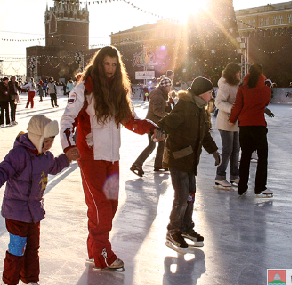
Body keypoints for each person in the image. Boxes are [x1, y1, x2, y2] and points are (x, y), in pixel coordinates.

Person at [60, 46, 157, 271]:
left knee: (110, 207)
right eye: (106, 64)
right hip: (91, 157)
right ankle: (103, 255)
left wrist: (150, 128)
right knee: (100, 207)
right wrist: (69, 146)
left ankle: (94, 250)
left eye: (114, 65)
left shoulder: (118, 90)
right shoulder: (85, 87)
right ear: (99, 64)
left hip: (112, 158)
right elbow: (67, 119)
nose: (111, 69)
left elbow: (129, 120)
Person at [0, 115, 79, 285]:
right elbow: (3, 169)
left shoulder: (45, 157)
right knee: (17, 248)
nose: (49, 145)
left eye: (51, 141)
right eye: (46, 141)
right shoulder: (18, 155)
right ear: (36, 138)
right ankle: (8, 283)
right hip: (16, 212)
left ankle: (29, 280)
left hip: (34, 212)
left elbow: (55, 166)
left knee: (32, 248)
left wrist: (67, 158)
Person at [157, 76, 220, 253]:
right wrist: (160, 129)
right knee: (182, 196)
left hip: (191, 159)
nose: (212, 95)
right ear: (201, 93)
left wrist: (214, 150)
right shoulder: (185, 105)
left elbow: (205, 134)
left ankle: (185, 227)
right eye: (210, 92)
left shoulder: (200, 109)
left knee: (190, 195)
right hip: (178, 158)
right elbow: (169, 120)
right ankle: (173, 230)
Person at [229, 63, 273, 197]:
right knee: (262, 157)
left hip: (245, 126)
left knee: (245, 156)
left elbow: (237, 105)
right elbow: (266, 103)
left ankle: (242, 187)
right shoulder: (265, 89)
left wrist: (232, 120)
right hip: (259, 126)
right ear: (262, 74)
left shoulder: (242, 88)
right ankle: (260, 187)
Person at [130, 75, 172, 177]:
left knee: (161, 144)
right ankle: (137, 164)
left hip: (157, 124)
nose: (170, 88)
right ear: (165, 87)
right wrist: (169, 116)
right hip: (154, 124)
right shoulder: (158, 95)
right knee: (152, 145)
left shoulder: (161, 94)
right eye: (169, 86)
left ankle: (159, 164)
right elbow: (156, 111)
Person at [213, 63, 241, 190]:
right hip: (225, 122)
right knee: (227, 149)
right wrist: (232, 109)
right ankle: (220, 176)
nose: (240, 74)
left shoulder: (236, 85)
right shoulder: (225, 86)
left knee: (236, 149)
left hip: (235, 122)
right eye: (238, 72)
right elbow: (218, 102)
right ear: (232, 73)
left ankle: (234, 175)